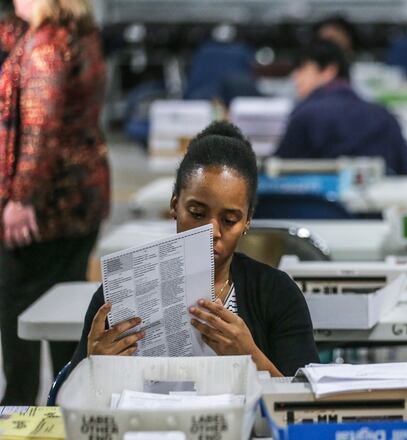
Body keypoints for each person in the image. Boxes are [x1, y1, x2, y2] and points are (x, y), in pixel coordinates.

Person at [70, 122, 319, 377]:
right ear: (175, 206)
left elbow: (303, 403)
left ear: (247, 221)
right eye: (197, 213)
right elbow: (61, 404)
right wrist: (92, 367)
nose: (211, 231)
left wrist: (250, 358)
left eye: (229, 220)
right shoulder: (119, 296)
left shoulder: (276, 293)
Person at [0, 0, 109, 404]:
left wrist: (22, 198)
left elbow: (40, 126)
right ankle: (67, 404)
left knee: (18, 308)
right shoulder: (80, 34)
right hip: (83, 199)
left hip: (47, 205)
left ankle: (19, 408)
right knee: (64, 309)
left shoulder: (45, 46)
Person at [275, 40, 407, 176]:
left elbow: (275, 171)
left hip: (318, 208)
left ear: (329, 70)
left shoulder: (305, 115)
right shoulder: (382, 115)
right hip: (374, 208)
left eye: (302, 69)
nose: (295, 77)